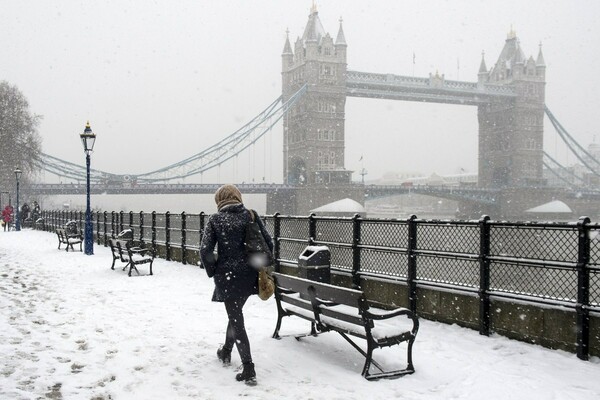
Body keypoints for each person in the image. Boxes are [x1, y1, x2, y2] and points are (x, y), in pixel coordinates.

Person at [200, 184, 273, 386]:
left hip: (228, 276)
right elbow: (269, 243)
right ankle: (226, 351)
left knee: (236, 318)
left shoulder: (215, 219)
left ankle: (248, 368)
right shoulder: (250, 215)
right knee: (235, 313)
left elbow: (205, 251)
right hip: (250, 274)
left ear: (219, 201)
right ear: (238, 197)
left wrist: (213, 270)